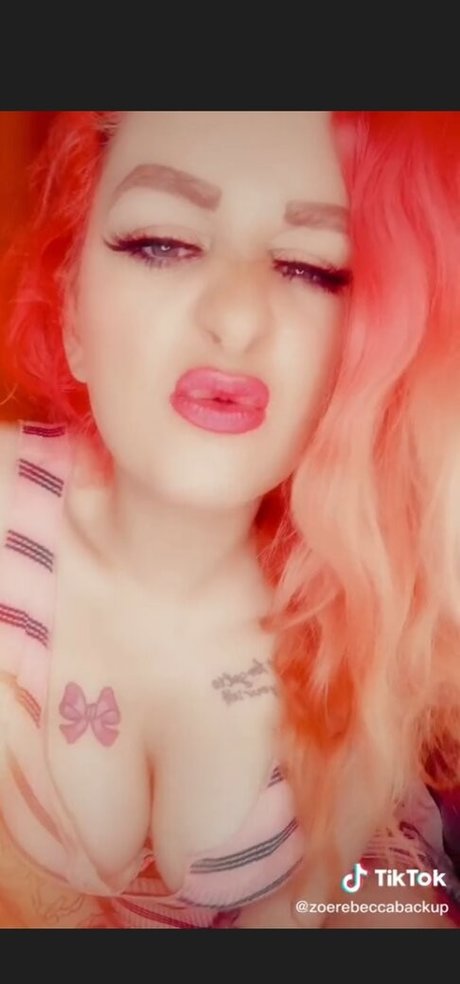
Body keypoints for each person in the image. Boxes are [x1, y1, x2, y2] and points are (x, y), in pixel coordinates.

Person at [0, 110, 459, 930]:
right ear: (71, 313)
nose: (239, 319)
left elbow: (341, 893)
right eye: (163, 244)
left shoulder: (364, 620)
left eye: (311, 267)